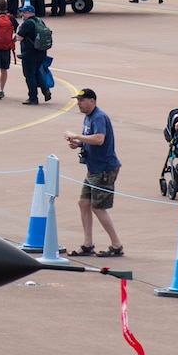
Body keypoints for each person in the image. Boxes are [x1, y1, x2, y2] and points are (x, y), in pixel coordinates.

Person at [63, 89, 123, 257]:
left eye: (82, 100)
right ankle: (88, 244)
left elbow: (99, 139)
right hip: (93, 168)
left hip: (104, 169)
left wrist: (77, 136)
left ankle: (116, 245)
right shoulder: (89, 117)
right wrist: (79, 144)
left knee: (98, 207)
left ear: (92, 101)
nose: (79, 103)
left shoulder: (98, 117)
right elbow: (91, 140)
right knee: (83, 202)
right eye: (78, 100)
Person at [14, 3, 51, 104]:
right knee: (37, 72)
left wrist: (19, 29)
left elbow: (19, 37)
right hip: (41, 53)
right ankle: (46, 90)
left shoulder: (27, 24)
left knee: (29, 75)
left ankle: (33, 97)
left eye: (24, 12)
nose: (22, 14)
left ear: (30, 12)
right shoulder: (40, 21)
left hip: (29, 54)